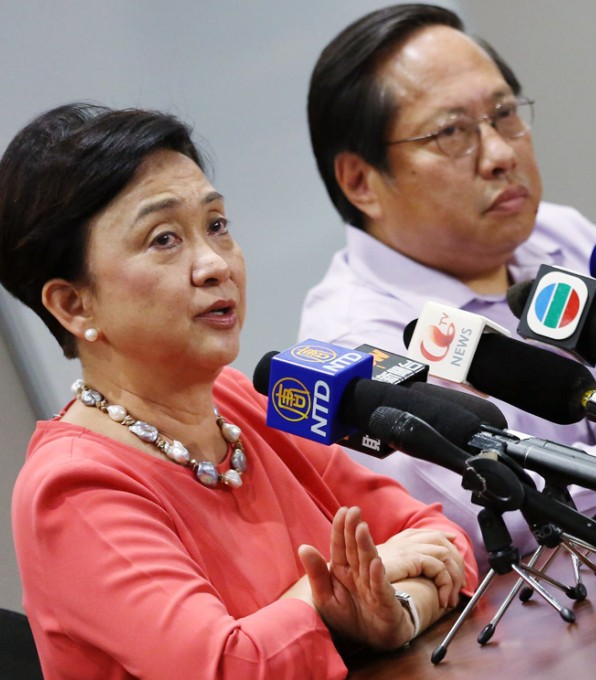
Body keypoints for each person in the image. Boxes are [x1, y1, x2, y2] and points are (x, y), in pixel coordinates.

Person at [1, 103, 478, 679]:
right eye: (164, 239)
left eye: (217, 226)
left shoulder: (240, 402)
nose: (213, 264)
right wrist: (324, 598)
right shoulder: (72, 489)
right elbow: (224, 668)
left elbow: (436, 536)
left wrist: (394, 614)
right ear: (74, 304)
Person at [299, 4, 596, 563]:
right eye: (452, 132)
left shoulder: (555, 233)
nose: (502, 154)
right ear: (361, 182)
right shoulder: (353, 343)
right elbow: (485, 519)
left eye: (504, 114)